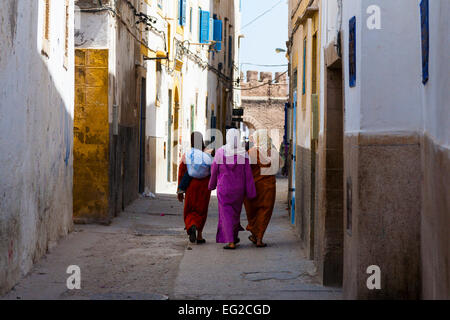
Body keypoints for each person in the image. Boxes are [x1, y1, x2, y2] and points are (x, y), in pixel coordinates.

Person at [208, 129, 256, 249]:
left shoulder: (220, 152)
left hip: (224, 189)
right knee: (235, 214)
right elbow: (248, 174)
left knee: (225, 214)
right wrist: (250, 191)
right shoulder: (242, 154)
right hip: (238, 190)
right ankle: (233, 237)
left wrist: (211, 185)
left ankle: (231, 241)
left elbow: (214, 170)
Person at [244, 131, 279, 247]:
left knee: (252, 210)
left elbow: (245, 169)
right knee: (265, 211)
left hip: (254, 186)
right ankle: (259, 238)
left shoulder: (251, 152)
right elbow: (277, 166)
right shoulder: (272, 152)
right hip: (268, 187)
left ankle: (254, 233)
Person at [177, 132, 212, 244]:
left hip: (191, 185)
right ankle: (200, 236)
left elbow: (182, 171)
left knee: (190, 209)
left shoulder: (188, 154)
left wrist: (180, 190)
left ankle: (191, 225)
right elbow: (213, 169)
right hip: (204, 187)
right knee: (202, 210)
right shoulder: (207, 153)